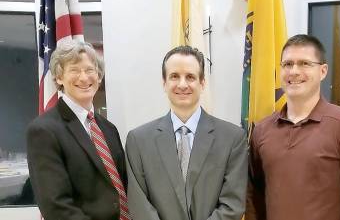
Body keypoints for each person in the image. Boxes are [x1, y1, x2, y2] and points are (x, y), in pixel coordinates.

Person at [246, 34, 340, 220]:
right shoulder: (262, 130)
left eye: (305, 64)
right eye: (288, 64)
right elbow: (253, 198)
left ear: (323, 71)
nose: (294, 71)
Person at [125, 45, 248, 220]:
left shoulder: (233, 139)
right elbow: (139, 205)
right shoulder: (138, 141)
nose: (182, 84)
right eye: (174, 76)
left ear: (202, 82)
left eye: (190, 77)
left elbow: (233, 205)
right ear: (164, 83)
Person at [27, 41, 130, 220]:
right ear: (59, 77)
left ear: (98, 77)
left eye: (90, 70)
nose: (84, 78)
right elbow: (56, 206)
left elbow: (121, 187)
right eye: (74, 70)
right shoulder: (43, 131)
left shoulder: (109, 129)